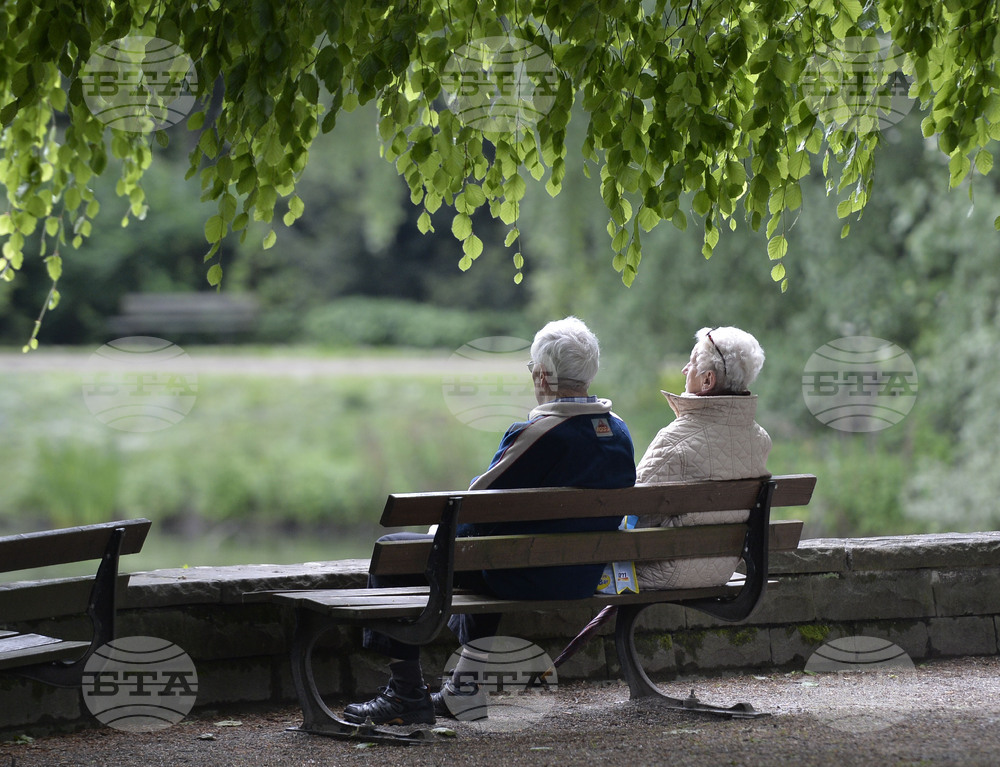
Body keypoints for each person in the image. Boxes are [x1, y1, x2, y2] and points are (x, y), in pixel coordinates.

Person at [342, 316, 636, 726]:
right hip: (582, 575)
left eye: (533, 368)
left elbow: (470, 504)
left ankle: (405, 692)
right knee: (490, 551)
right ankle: (465, 691)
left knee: (399, 551)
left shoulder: (540, 433)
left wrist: (436, 541)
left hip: (530, 576)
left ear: (544, 376)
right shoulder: (618, 433)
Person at [632, 326, 771, 590]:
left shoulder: (676, 439)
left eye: (692, 362)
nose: (685, 369)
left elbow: (632, 512)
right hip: (720, 571)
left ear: (707, 381)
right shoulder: (761, 440)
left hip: (664, 571)